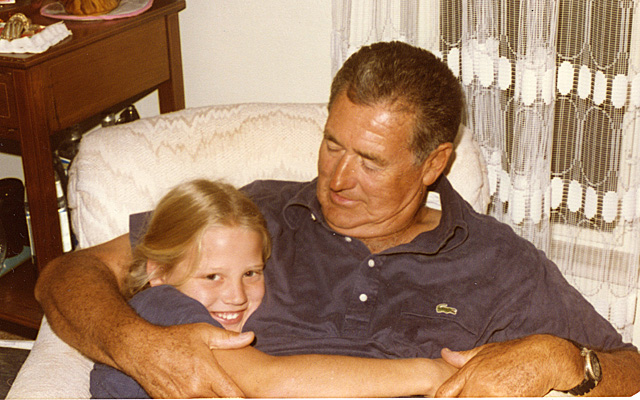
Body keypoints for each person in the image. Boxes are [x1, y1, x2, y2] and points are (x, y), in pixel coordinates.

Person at [36, 41, 640, 398]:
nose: (337, 178)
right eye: (332, 145)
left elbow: (628, 366)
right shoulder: (253, 213)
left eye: (371, 162)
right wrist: (136, 345)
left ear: (434, 163)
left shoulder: (497, 260)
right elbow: (70, 273)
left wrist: (565, 359)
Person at [90, 179, 456, 398]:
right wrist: (432, 373)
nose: (236, 296)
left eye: (251, 273)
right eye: (212, 277)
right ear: (158, 271)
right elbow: (267, 382)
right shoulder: (159, 306)